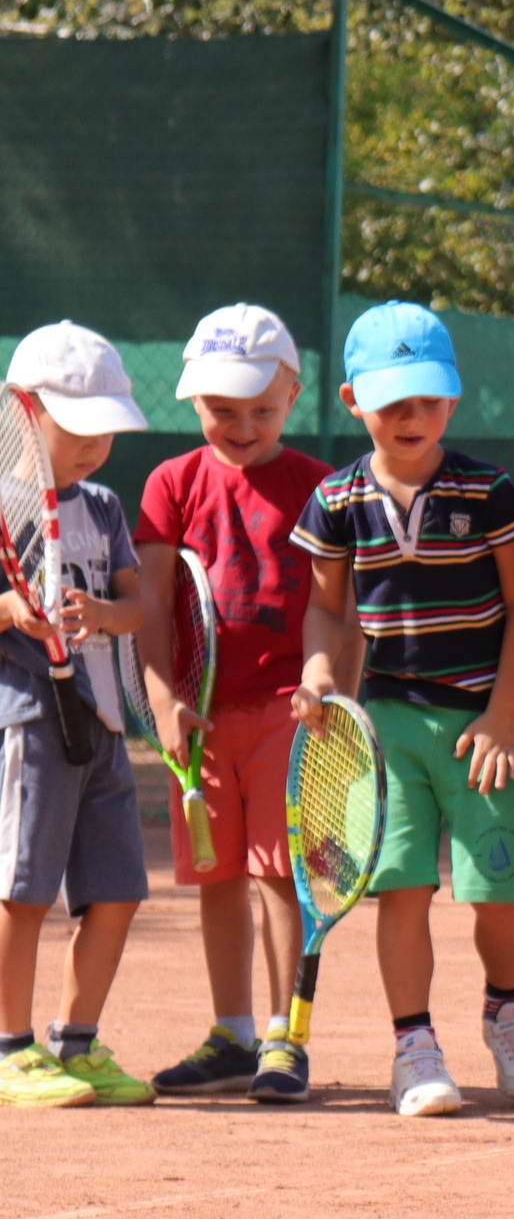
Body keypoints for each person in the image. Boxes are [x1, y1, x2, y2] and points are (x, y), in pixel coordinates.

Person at [289, 302, 514, 1117]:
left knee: (496, 891)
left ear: (453, 400)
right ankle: (414, 1046)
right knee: (400, 889)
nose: (411, 417)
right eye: (392, 400)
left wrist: (502, 714)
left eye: (427, 399)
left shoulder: (488, 489)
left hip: (486, 723)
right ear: (351, 400)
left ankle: (506, 1005)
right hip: (387, 724)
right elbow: (328, 609)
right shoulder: (335, 500)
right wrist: (318, 672)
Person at [142, 306, 335, 1103]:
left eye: (262, 406)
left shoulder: (321, 485)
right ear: (193, 402)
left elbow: (337, 606)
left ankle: (289, 1038)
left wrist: (325, 683)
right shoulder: (170, 484)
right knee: (218, 875)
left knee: (281, 875)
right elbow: (152, 607)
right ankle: (234, 1032)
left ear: (293, 393)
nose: (242, 423)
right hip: (199, 717)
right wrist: (163, 699)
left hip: (289, 713)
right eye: (224, 408)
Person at [0, 324, 156, 1107]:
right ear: (24, 412)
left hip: (100, 724)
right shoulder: (2, 503)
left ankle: (78, 1042)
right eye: (78, 425)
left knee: (119, 888)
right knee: (22, 889)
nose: (96, 444)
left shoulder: (102, 505)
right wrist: (14, 610)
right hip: (29, 717)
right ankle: (9, 1049)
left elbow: (138, 605)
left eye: (107, 427)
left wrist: (99, 608)